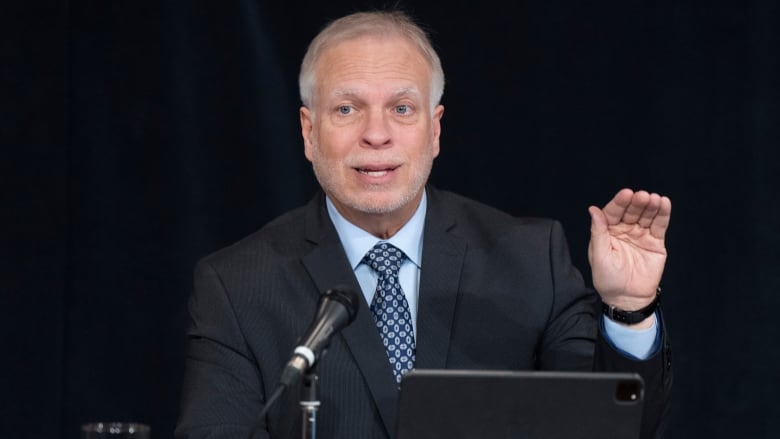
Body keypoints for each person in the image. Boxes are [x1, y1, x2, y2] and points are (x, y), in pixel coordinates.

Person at [175, 10, 672, 439]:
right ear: (309, 132)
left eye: (402, 109)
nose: (376, 134)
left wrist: (628, 310)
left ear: (434, 130)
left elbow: (607, 428)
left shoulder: (529, 258)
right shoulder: (236, 285)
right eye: (347, 109)